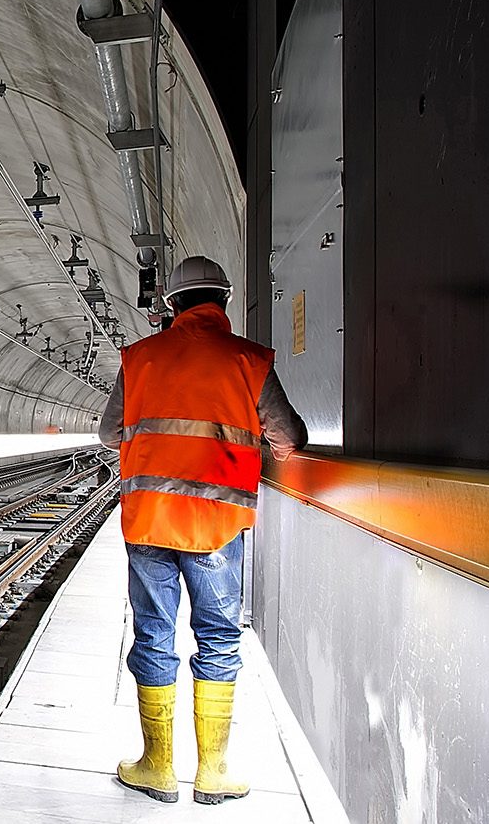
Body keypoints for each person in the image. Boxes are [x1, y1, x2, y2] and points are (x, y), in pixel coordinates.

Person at [96, 255, 306, 805]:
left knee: (154, 631)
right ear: (225, 300)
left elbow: (108, 432)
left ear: (172, 305)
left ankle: (156, 766)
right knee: (217, 636)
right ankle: (212, 771)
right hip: (215, 526)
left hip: (149, 522)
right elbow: (289, 437)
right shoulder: (250, 360)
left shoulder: (138, 358)